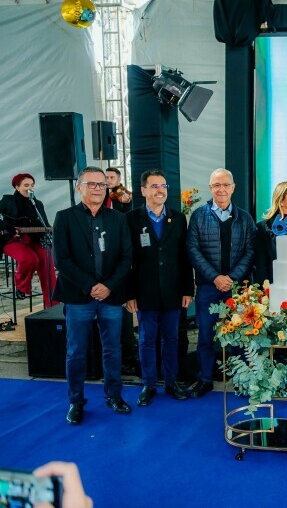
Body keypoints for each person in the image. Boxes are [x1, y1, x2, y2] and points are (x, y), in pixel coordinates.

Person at [52, 166, 133, 425]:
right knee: (75, 352)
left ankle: (114, 395)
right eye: (91, 184)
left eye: (101, 184)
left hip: (111, 296)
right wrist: (90, 286)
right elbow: (61, 260)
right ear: (79, 187)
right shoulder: (64, 218)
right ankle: (76, 401)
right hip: (78, 297)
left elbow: (126, 257)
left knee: (113, 350)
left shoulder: (118, 219)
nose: (97, 188)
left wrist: (108, 285)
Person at [125, 169, 194, 406]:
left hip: (173, 292)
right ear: (143, 190)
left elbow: (184, 258)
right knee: (146, 339)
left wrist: (188, 289)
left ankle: (171, 382)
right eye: (154, 186)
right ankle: (148, 384)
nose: (160, 191)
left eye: (163, 186)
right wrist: (129, 294)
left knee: (172, 338)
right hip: (144, 292)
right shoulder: (131, 219)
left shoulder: (177, 218)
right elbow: (127, 260)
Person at [186, 168, 256, 398]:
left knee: (239, 335)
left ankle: (241, 380)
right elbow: (193, 250)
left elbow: (250, 251)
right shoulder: (198, 215)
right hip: (208, 286)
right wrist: (215, 277)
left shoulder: (245, 218)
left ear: (233, 188)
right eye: (217, 185)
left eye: (226, 184)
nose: (221, 189)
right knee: (205, 335)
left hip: (237, 288)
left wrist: (232, 278)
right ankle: (205, 379)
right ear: (210, 188)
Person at [0, 173, 57, 307]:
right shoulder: (7, 201)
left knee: (47, 261)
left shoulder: (37, 204)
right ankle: (21, 285)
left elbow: (45, 224)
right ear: (17, 187)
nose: (30, 188)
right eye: (26, 185)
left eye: (32, 185)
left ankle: (53, 306)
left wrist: (51, 229)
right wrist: (6, 230)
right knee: (29, 259)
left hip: (35, 240)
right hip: (13, 240)